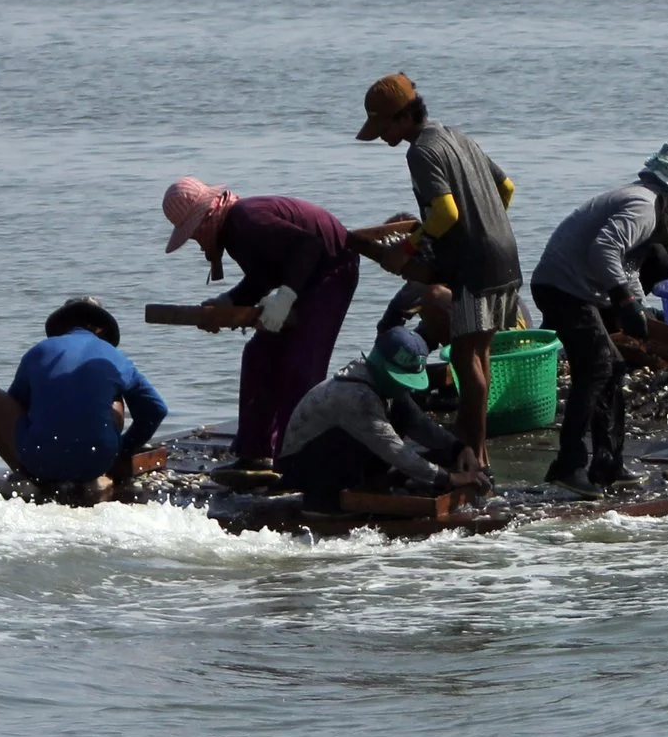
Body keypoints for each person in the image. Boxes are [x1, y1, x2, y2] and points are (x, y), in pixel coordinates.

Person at [355, 72, 524, 468]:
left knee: (467, 358)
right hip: (506, 256)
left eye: (383, 127)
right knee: (479, 353)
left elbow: (446, 212)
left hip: (474, 267)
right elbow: (507, 188)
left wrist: (409, 248)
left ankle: (473, 455)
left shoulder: (420, 151)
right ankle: (475, 451)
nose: (381, 136)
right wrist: (488, 225)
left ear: (402, 118)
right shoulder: (457, 136)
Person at [529, 143, 668, 497]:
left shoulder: (646, 201)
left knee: (611, 368)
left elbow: (627, 267)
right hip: (562, 289)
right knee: (599, 365)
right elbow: (604, 250)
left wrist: (638, 307)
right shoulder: (644, 208)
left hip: (575, 289)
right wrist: (625, 302)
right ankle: (568, 464)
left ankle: (608, 462)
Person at [162, 177, 362, 485]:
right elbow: (262, 277)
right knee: (259, 356)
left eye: (195, 234)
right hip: (304, 276)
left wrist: (287, 295)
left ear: (206, 219)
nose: (198, 242)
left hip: (331, 272)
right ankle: (255, 452)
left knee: (301, 365)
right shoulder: (236, 233)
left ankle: (295, 459)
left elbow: (310, 246)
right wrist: (228, 302)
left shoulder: (246, 219)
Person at [0, 298, 167, 504]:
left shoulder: (39, 350)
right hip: (96, 462)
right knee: (113, 397)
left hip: (40, 460)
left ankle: (28, 477)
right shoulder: (116, 357)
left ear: (61, 327)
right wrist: (124, 449)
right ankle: (93, 475)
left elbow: (17, 406)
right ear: (102, 330)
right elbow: (156, 409)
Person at [277, 327, 487, 514]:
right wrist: (448, 479)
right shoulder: (357, 397)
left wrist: (459, 448)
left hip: (346, 451)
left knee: (405, 413)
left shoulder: (384, 387)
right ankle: (326, 501)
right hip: (305, 464)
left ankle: (372, 483)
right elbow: (393, 449)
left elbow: (420, 424)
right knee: (394, 447)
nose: (407, 387)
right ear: (381, 367)